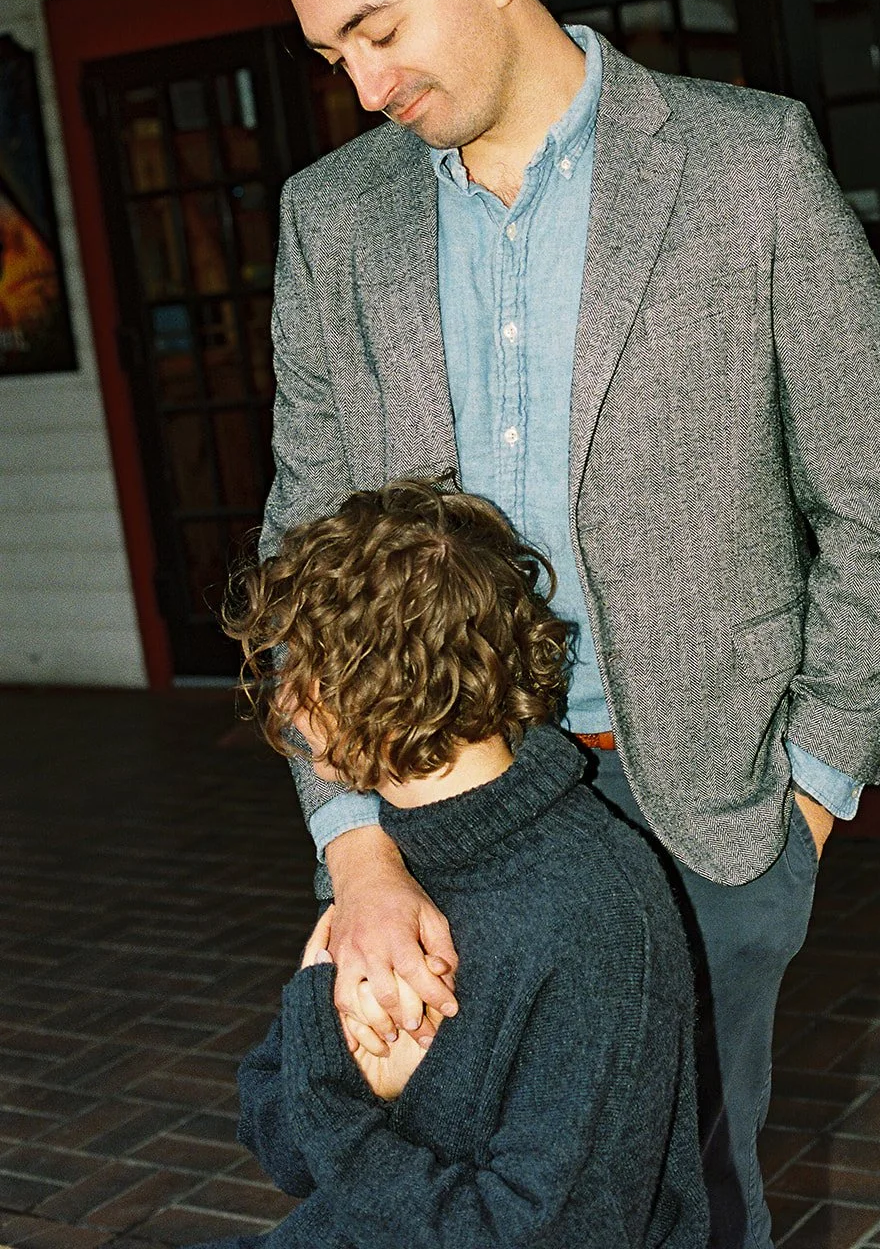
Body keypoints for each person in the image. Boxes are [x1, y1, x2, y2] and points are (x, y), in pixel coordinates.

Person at [237, 0, 880, 1249]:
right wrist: (351, 844)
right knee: (463, 1192)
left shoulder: (747, 167)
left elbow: (872, 502)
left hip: (703, 809)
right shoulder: (333, 221)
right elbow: (301, 550)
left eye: (377, 30)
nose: (360, 87)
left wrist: (804, 791)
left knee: (691, 1193)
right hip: (436, 822)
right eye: (328, 56)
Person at [196, 477, 707, 1249]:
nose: (285, 694)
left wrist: (342, 1102)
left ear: (365, 685)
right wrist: (352, 1077)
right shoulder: (388, 880)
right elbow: (282, 1144)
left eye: (294, 662)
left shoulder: (590, 916)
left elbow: (549, 1232)